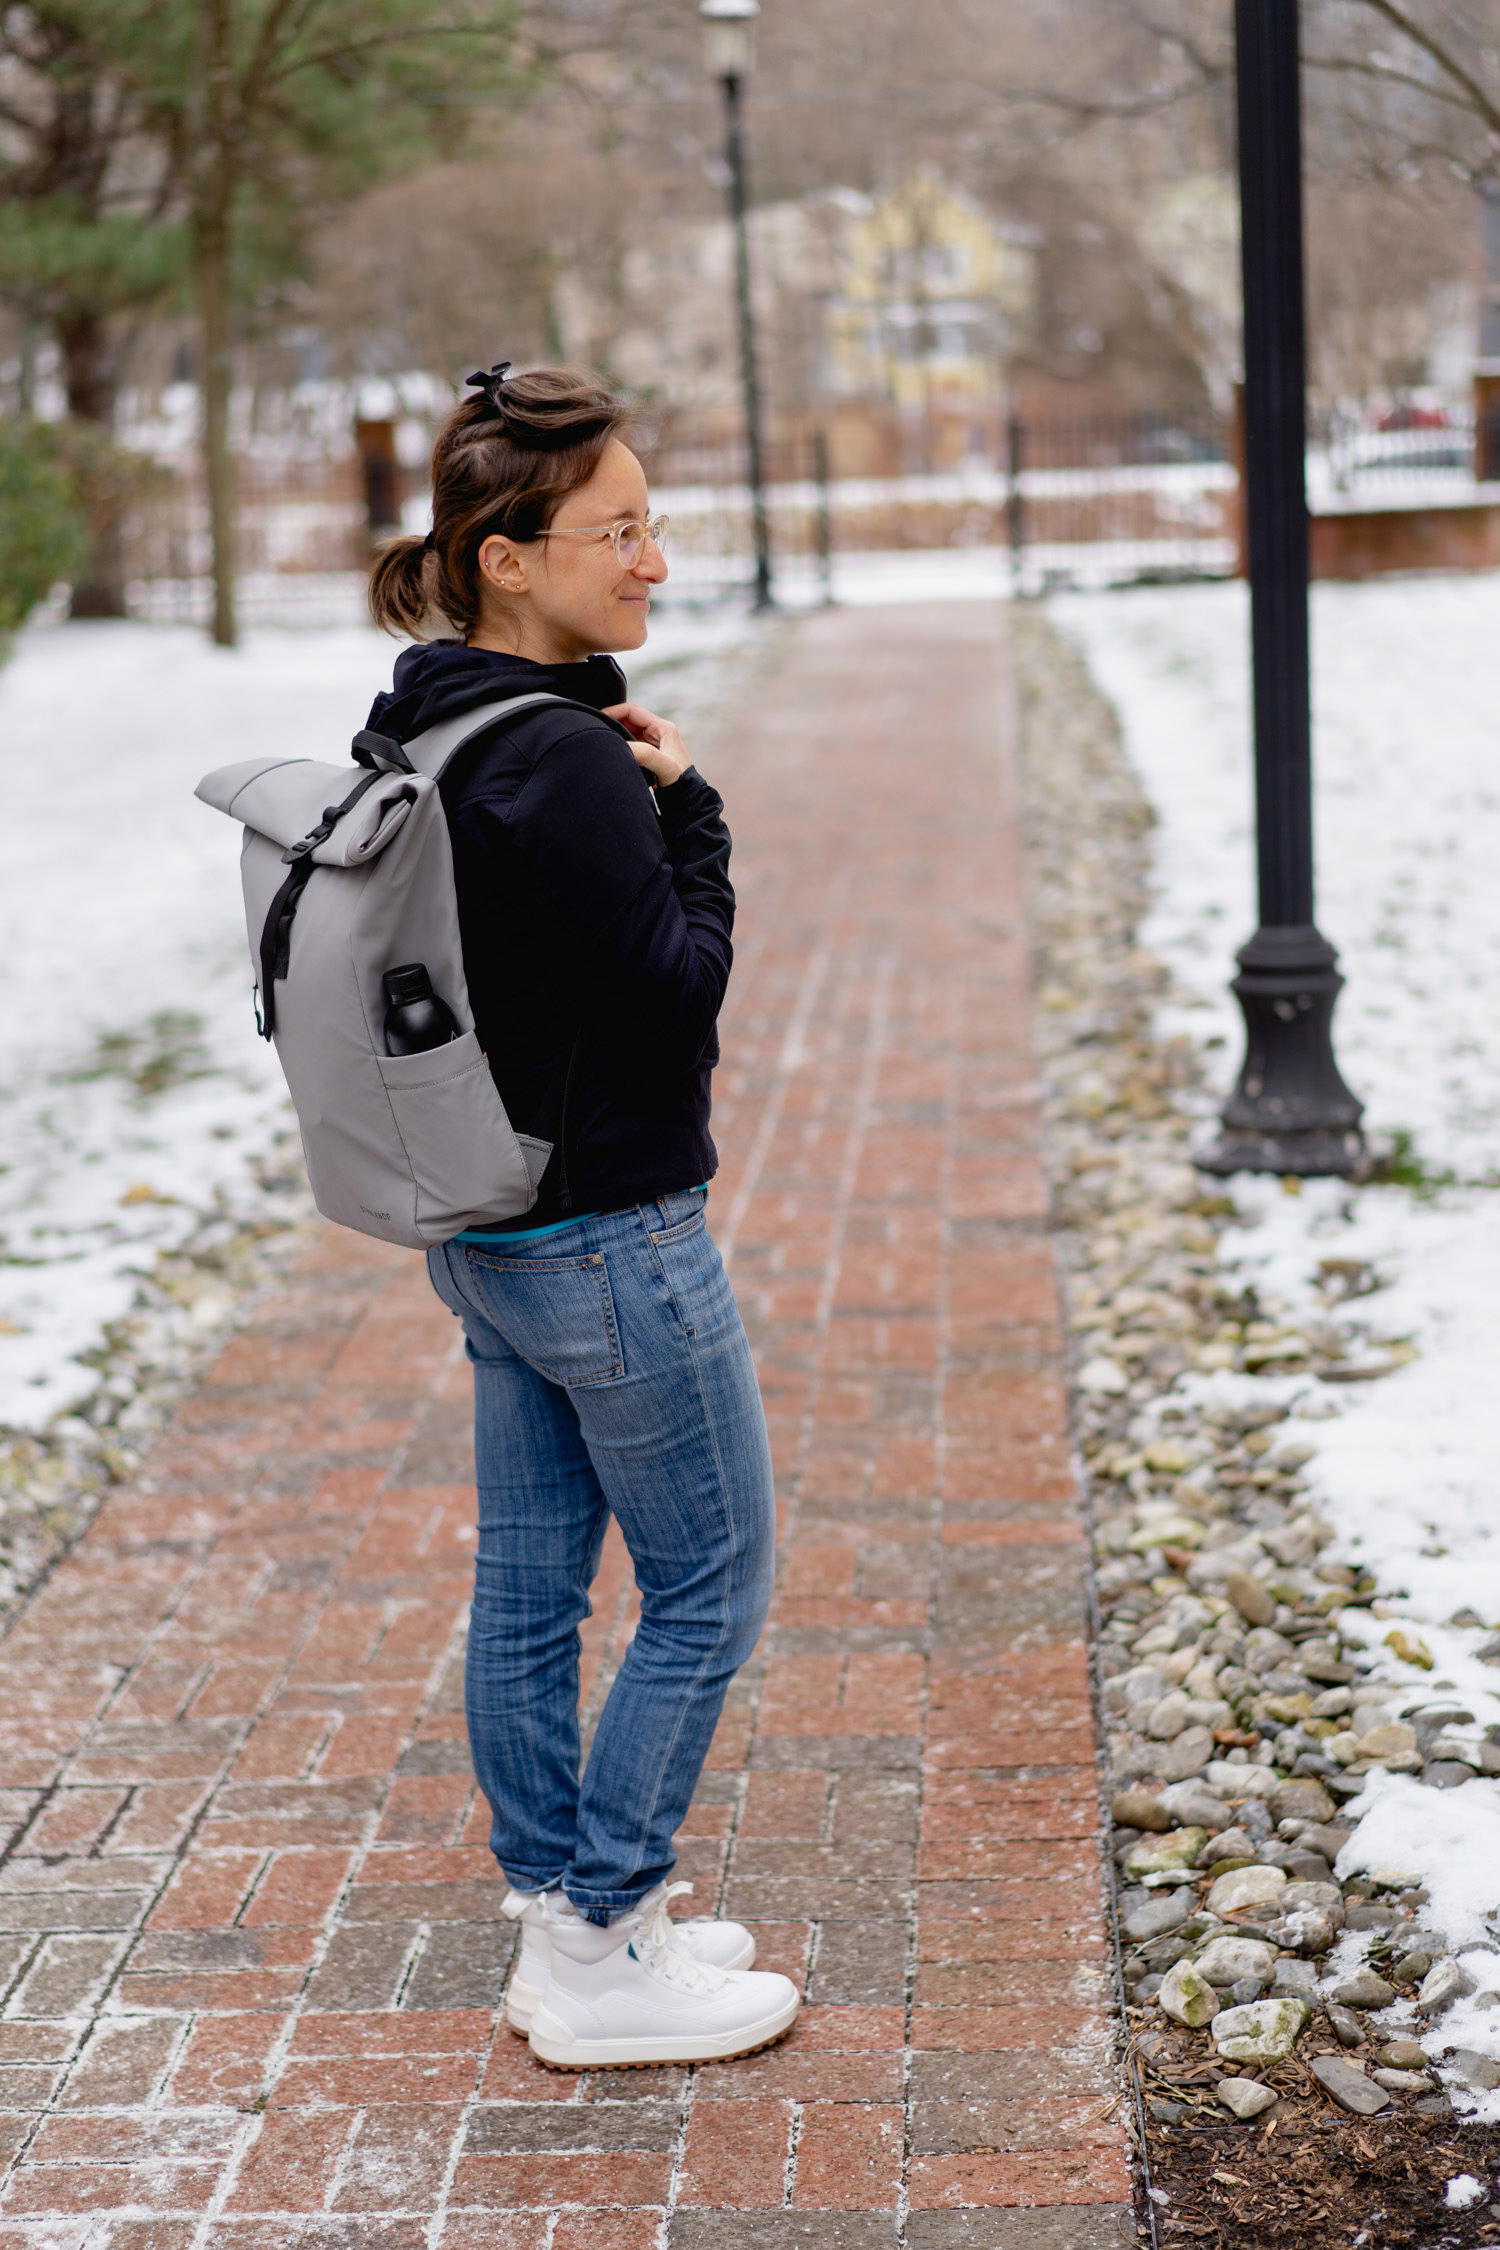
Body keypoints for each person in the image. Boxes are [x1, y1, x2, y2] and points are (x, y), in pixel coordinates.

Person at [364, 361, 798, 2070]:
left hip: (488, 1226)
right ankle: (609, 1937)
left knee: (535, 1579)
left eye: (653, 525)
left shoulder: (429, 717)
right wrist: (688, 809)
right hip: (610, 1232)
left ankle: (562, 1904)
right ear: (506, 557)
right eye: (617, 532)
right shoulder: (559, 760)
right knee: (711, 1581)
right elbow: (676, 993)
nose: (654, 563)